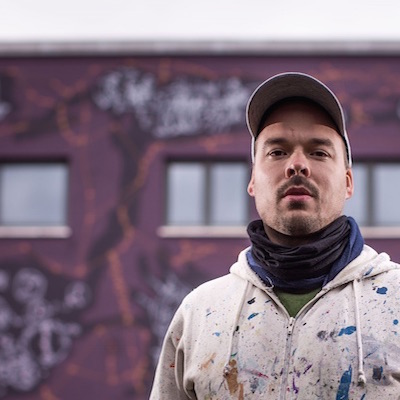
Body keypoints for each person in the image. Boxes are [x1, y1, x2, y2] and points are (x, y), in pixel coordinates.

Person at [149, 72, 400, 399]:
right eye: (278, 152)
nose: (297, 165)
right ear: (253, 180)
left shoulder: (394, 300)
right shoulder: (199, 313)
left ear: (349, 182)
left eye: (319, 152)